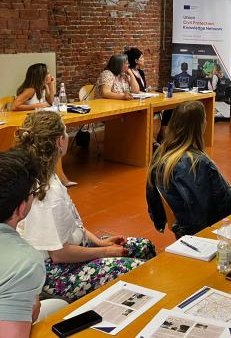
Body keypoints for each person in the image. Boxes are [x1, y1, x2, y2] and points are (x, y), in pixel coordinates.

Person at [15, 111, 156, 302]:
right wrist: (105, 251)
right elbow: (59, 254)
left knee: (144, 247)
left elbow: (74, 224)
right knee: (136, 269)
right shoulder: (46, 193)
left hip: (72, 249)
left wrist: (99, 243)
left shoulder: (50, 176)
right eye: (65, 132)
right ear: (59, 141)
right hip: (56, 272)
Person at [147, 101, 231, 237]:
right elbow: (216, 209)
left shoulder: (159, 156)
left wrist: (224, 189)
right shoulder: (198, 162)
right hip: (207, 228)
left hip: (181, 226)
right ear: (201, 126)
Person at [0, 148, 67, 337]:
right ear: (21, 208)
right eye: (33, 192)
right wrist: (29, 313)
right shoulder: (25, 261)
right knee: (61, 307)